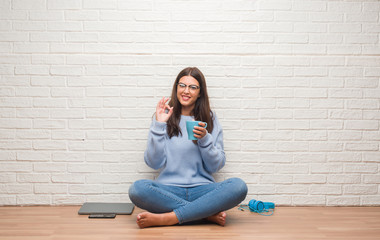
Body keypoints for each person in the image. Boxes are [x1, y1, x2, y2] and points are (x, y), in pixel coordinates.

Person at [128, 67, 247, 228]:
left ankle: (169, 218)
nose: (186, 91)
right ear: (176, 87)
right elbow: (153, 163)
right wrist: (159, 125)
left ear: (200, 93)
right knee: (137, 189)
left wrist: (205, 139)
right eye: (182, 85)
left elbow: (216, 166)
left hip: (203, 190)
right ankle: (204, 214)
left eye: (193, 87)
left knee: (238, 186)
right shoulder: (164, 116)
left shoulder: (210, 118)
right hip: (169, 190)